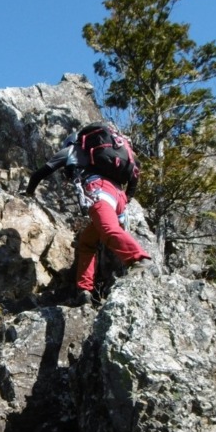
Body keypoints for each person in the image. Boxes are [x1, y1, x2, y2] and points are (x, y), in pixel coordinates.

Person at [25, 128, 152, 306]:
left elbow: (41, 173)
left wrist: (29, 192)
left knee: (108, 230)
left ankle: (138, 259)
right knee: (86, 242)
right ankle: (84, 291)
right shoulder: (117, 156)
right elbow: (134, 177)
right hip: (119, 197)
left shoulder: (72, 150)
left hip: (99, 190)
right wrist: (125, 199)